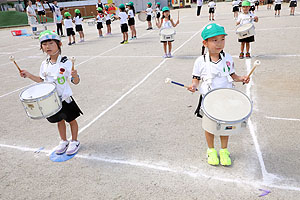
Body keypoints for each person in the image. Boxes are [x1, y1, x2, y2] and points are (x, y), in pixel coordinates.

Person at [187, 23, 250, 166]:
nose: (219, 43)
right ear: (205, 43)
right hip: (209, 100)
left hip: (226, 98)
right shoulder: (200, 61)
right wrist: (194, 86)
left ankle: (224, 150)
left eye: (222, 39)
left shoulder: (228, 58)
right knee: (209, 127)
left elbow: (233, 75)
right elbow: (196, 78)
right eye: (214, 40)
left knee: (224, 126)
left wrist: (242, 78)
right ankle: (210, 150)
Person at [19, 30, 82, 155]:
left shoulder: (66, 62)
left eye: (51, 43)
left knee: (72, 120)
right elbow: (41, 80)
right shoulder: (44, 64)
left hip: (64, 98)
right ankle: (63, 141)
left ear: (59, 44)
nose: (48, 46)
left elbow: (75, 82)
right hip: (52, 100)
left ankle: (75, 141)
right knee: (59, 121)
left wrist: (75, 76)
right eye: (44, 44)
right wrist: (28, 75)